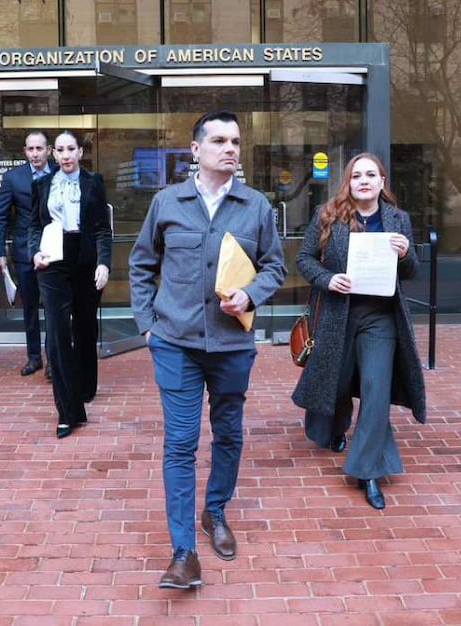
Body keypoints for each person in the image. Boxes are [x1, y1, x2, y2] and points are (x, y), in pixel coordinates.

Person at [129, 110, 286, 589]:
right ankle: (183, 551)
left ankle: (215, 510)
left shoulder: (256, 206)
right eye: (218, 140)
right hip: (175, 343)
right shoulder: (167, 202)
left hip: (232, 344)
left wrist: (251, 294)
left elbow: (275, 267)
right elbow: (140, 266)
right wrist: (148, 327)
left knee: (229, 434)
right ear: (195, 150)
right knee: (179, 445)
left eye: (236, 141)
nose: (230, 148)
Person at [291, 152, 427, 510]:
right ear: (348, 183)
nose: (364, 180)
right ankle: (333, 429)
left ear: (382, 182)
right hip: (337, 315)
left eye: (371, 175)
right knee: (336, 382)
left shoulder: (399, 220)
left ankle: (367, 470)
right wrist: (328, 278)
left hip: (380, 319)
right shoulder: (328, 215)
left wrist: (406, 252)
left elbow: (412, 271)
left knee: (375, 390)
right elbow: (304, 259)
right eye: (356, 176)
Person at [28, 130, 112, 439]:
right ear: (53, 153)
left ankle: (86, 386)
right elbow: (34, 226)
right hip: (52, 262)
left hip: (85, 257)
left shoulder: (94, 183)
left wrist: (104, 263)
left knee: (86, 327)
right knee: (58, 335)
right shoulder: (41, 185)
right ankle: (68, 411)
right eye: (60, 150)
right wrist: (34, 252)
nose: (65, 155)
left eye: (71, 149)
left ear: (80, 152)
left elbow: (103, 228)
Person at [0, 130, 57, 378]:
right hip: (24, 252)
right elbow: (0, 218)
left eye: (39, 148)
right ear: (25, 152)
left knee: (53, 307)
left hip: (54, 250)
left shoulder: (60, 174)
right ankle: (33, 358)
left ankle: (53, 359)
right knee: (30, 307)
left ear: (48, 150)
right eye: (30, 149)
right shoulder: (12, 178)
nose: (34, 154)